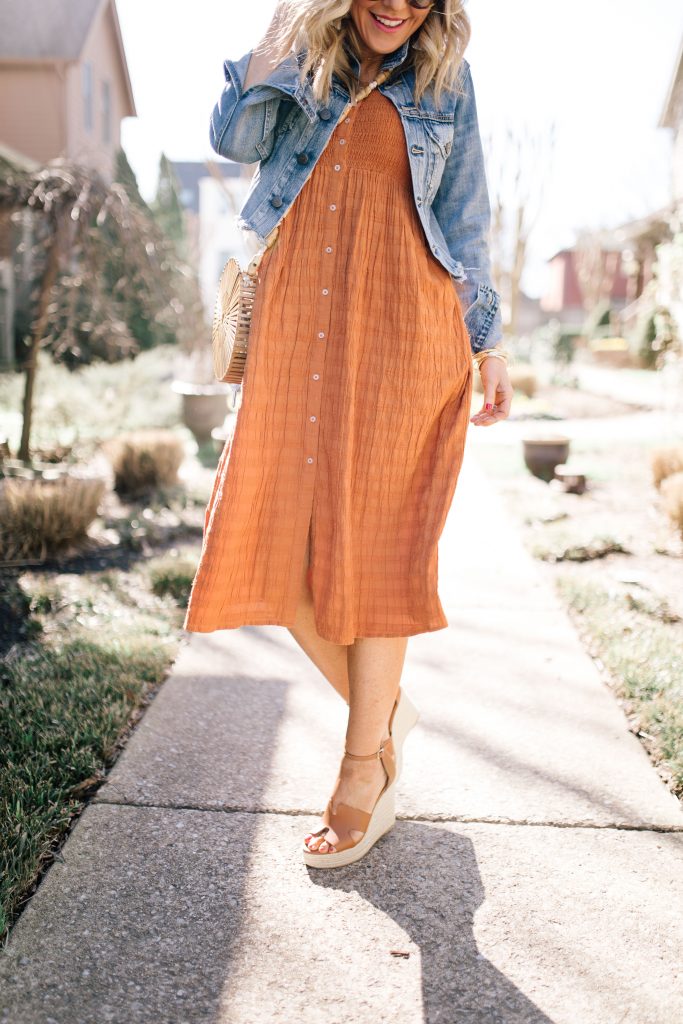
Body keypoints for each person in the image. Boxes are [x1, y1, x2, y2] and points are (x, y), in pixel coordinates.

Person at [183, 0, 513, 868]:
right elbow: (235, 138)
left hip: (407, 326)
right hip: (295, 316)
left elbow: (469, 216)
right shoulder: (301, 54)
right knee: (262, 532)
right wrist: (274, 42)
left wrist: (491, 344)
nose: (398, 6)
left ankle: (363, 765)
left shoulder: (448, 81)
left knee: (380, 550)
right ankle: (383, 705)